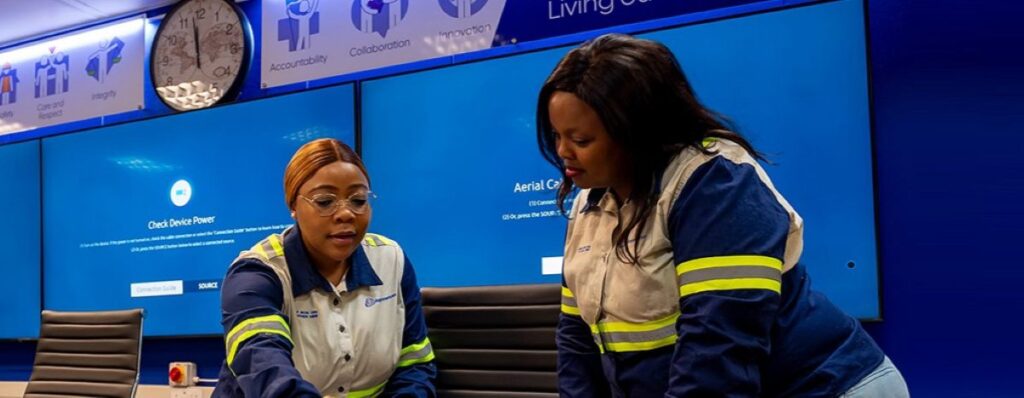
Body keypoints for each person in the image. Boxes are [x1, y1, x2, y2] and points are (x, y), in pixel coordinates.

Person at [538, 33, 910, 397]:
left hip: (827, 386)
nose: (563, 152)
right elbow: (578, 338)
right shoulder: (591, 203)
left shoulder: (716, 185)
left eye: (582, 140)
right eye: (556, 136)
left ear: (637, 131)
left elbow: (717, 348)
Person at [213, 138, 436, 397]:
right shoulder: (257, 273)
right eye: (324, 202)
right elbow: (267, 370)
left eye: (358, 200)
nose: (346, 213)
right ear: (293, 206)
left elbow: (415, 364)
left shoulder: (391, 260)